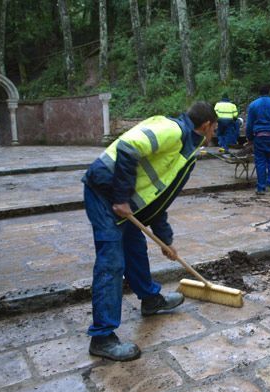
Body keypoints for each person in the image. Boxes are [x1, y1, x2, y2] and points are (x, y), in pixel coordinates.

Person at [82, 101, 217, 361]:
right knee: (111, 261)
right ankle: (102, 336)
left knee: (135, 249)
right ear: (206, 125)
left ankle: (150, 300)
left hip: (126, 202)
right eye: (215, 128)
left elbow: (159, 197)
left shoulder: (188, 149)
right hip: (103, 192)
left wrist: (165, 239)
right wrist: (121, 197)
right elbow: (128, 147)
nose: (215, 134)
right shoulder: (172, 131)